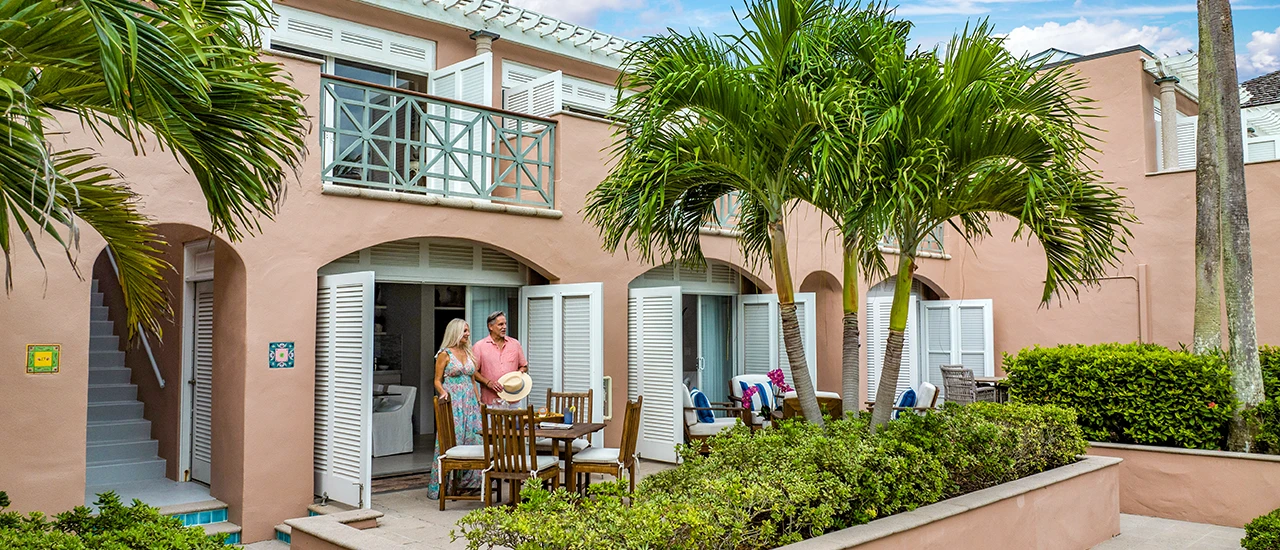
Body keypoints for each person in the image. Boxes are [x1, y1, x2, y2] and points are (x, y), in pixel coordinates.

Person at [427, 319, 483, 500]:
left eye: (468, 330)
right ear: (456, 332)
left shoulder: (469, 352)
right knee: (452, 440)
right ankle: (445, 485)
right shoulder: (445, 354)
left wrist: (478, 400)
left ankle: (469, 483)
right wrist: (444, 393)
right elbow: (437, 380)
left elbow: (473, 380)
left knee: (472, 439)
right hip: (454, 402)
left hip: (471, 404)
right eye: (464, 331)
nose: (468, 334)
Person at [473, 311, 529, 410]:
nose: (504, 327)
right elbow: (473, 372)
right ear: (490, 326)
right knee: (492, 426)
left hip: (513, 400)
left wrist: (519, 375)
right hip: (491, 401)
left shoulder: (515, 344)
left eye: (505, 324)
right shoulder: (479, 346)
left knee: (515, 426)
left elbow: (523, 366)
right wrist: (488, 383)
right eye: (500, 324)